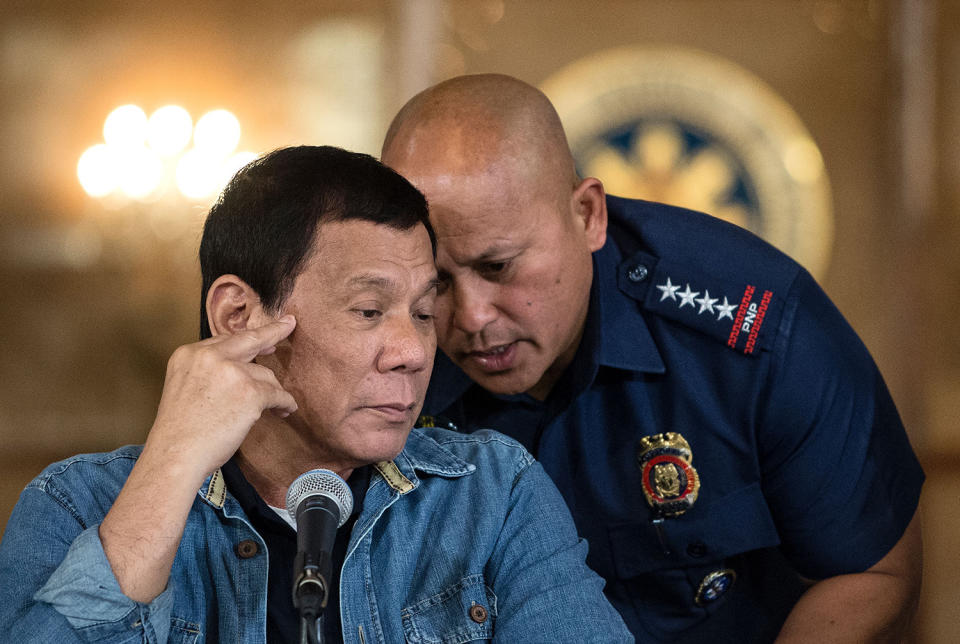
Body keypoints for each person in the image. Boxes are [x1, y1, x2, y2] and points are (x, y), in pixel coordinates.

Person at [0, 146, 632, 643]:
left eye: (420, 313)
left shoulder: (491, 494)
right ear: (240, 316)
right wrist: (169, 468)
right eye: (367, 310)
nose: (412, 352)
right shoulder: (77, 506)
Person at [380, 74, 925, 643]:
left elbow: (872, 573)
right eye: (436, 282)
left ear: (588, 214)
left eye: (499, 268)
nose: (470, 318)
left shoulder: (753, 330)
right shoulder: (380, 353)